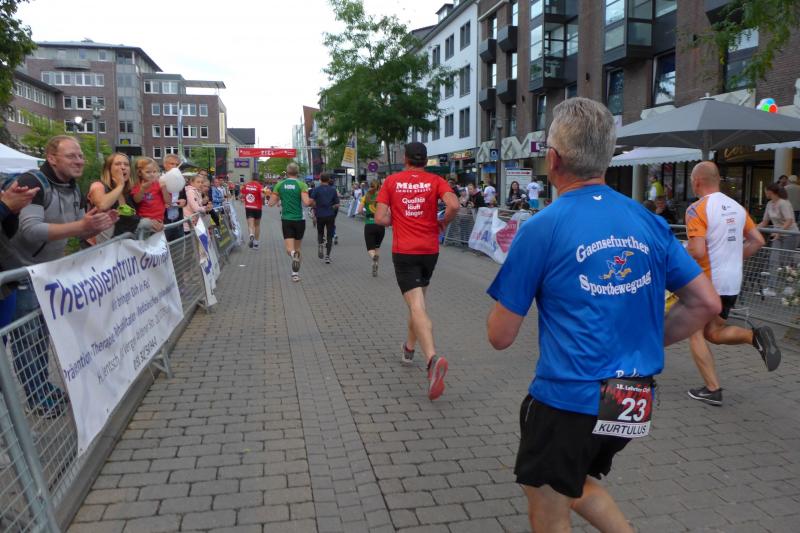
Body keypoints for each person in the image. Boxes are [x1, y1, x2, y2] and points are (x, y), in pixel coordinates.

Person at [484, 98, 720, 532]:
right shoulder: (647, 221)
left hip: (569, 397)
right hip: (634, 396)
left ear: (553, 159)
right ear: (607, 157)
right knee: (572, 482)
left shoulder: (541, 227)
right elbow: (706, 303)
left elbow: (500, 336)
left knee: (549, 504)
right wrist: (646, 338)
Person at [10, 135, 117, 417]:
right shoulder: (32, 183)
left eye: (80, 155)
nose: (79, 160)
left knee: (41, 335)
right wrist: (81, 226)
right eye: (71, 156)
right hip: (21, 272)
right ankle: (36, 397)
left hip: (48, 272)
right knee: (27, 337)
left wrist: (97, 225)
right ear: (52, 158)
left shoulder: (73, 188)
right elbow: (30, 230)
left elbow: (80, 227)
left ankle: (42, 386)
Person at [685, 161, 780, 407]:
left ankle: (712, 389)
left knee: (694, 333)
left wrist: (677, 254)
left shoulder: (696, 209)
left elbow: (696, 250)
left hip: (706, 282)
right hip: (731, 282)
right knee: (713, 333)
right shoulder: (737, 208)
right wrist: (733, 258)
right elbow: (758, 240)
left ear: (697, 181)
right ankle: (754, 337)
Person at [374, 142, 459, 401]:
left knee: (417, 307)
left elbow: (379, 218)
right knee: (417, 303)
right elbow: (454, 205)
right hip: (429, 251)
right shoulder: (435, 180)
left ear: (405, 159)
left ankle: (432, 360)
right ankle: (409, 349)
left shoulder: (391, 181)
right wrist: (443, 222)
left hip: (405, 251)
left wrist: (397, 219)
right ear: (425, 159)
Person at [87, 152, 155, 243]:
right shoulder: (98, 185)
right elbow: (102, 205)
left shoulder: (128, 193)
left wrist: (152, 223)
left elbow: (134, 219)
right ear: (108, 169)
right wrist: (120, 185)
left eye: (126, 164)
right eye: (118, 164)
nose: (123, 167)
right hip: (100, 248)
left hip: (124, 247)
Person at [269, 162, 313, 282]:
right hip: (300, 219)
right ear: (297, 172)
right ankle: (295, 274)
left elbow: (271, 203)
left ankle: (293, 255)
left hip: (287, 219)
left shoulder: (279, 185)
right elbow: (306, 202)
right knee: (298, 248)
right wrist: (313, 201)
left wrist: (279, 196)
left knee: (290, 249)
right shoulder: (302, 185)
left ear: (287, 172)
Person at [758, 182, 800, 297]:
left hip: (790, 235)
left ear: (770, 191)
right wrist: (753, 230)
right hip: (778, 235)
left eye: (765, 190)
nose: (765, 192)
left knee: (785, 261)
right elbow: (765, 221)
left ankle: (789, 286)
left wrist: (779, 232)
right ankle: (771, 288)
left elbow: (789, 220)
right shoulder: (769, 204)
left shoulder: (783, 203)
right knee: (773, 260)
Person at [131, 157, 170, 228]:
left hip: (159, 219)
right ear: (139, 173)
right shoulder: (138, 185)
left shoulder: (160, 184)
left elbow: (168, 201)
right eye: (148, 172)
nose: (152, 174)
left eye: (154, 172)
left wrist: (164, 189)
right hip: (144, 220)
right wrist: (142, 189)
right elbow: (136, 200)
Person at [357, 179, 385, 276]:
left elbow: (359, 210)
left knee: (370, 249)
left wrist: (365, 214)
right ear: (379, 186)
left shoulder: (366, 196)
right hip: (380, 225)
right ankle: (375, 265)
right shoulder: (382, 196)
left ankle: (373, 258)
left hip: (369, 224)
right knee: (377, 248)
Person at [309, 173, 339, 263]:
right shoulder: (333, 190)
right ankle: (327, 257)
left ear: (320, 179)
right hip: (330, 215)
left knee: (320, 232)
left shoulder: (316, 189)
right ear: (329, 179)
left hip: (320, 214)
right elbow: (337, 204)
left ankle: (320, 244)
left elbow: (311, 202)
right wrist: (332, 208)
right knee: (329, 235)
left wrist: (315, 207)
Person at [241, 175, 265, 249]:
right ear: (258, 179)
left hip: (249, 207)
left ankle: (251, 234)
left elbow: (242, 195)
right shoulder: (260, 186)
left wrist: (243, 199)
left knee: (250, 224)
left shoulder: (246, 185)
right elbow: (262, 196)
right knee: (257, 225)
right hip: (257, 208)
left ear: (251, 178)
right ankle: (256, 243)